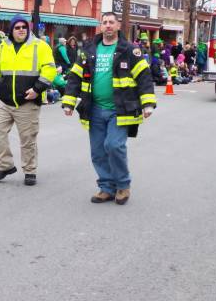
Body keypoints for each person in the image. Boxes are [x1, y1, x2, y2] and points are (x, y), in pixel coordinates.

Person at [62, 12, 156, 205]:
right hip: (94, 108)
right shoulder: (88, 49)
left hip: (120, 109)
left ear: (118, 26)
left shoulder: (130, 50)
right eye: (104, 22)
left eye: (111, 22)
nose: (108, 25)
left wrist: (147, 103)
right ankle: (106, 187)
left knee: (113, 145)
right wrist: (69, 102)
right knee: (97, 151)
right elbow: (75, 77)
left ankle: (122, 185)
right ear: (101, 26)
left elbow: (144, 77)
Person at [0, 15, 56, 186]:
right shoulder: (2, 48)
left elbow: (49, 69)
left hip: (28, 101)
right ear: (11, 30)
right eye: (17, 27)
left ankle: (30, 171)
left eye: (24, 27)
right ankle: (5, 166)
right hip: (5, 101)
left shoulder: (40, 46)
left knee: (28, 139)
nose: (21, 30)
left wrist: (37, 89)